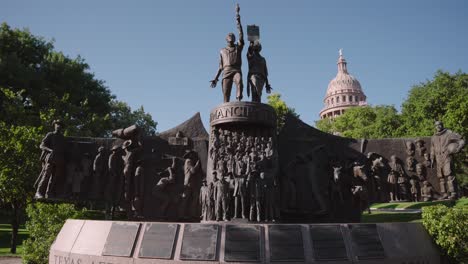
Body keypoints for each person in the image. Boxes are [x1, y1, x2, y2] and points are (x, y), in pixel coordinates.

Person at [210, 4, 244, 102]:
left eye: (233, 35)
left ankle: (239, 102)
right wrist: (215, 78)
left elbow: (241, 35)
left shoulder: (238, 47)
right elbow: (221, 66)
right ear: (226, 39)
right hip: (226, 72)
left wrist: (238, 18)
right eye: (229, 35)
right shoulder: (222, 51)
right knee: (226, 94)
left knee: (239, 81)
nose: (231, 36)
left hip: (236, 70)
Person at [430, 121, 465, 199]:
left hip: (446, 156)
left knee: (449, 174)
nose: (438, 126)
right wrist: (432, 158)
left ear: (442, 125)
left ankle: (453, 193)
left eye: (439, 125)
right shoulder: (433, 137)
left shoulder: (448, 134)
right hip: (438, 158)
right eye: (436, 125)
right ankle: (444, 193)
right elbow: (432, 148)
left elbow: (461, 140)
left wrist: (458, 148)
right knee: (441, 176)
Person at [35, 120, 66, 199]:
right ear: (54, 125)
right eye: (57, 124)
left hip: (59, 160)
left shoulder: (62, 138)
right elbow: (41, 146)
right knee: (46, 176)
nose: (58, 126)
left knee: (54, 178)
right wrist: (50, 150)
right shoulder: (50, 135)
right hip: (50, 159)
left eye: (60, 125)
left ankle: (49, 193)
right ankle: (38, 192)